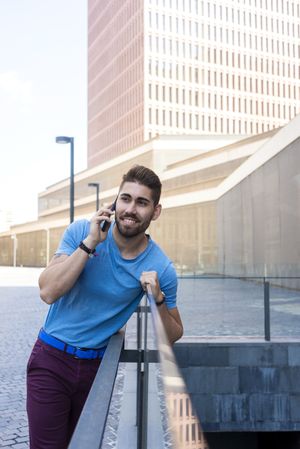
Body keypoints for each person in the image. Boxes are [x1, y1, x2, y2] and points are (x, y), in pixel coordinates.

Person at [26, 164, 183, 449]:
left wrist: (157, 298)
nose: (131, 209)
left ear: (155, 211)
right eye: (125, 198)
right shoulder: (80, 232)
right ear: (115, 202)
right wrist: (88, 244)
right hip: (52, 358)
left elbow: (172, 334)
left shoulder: (161, 267)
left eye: (142, 202)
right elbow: (48, 291)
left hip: (96, 367)